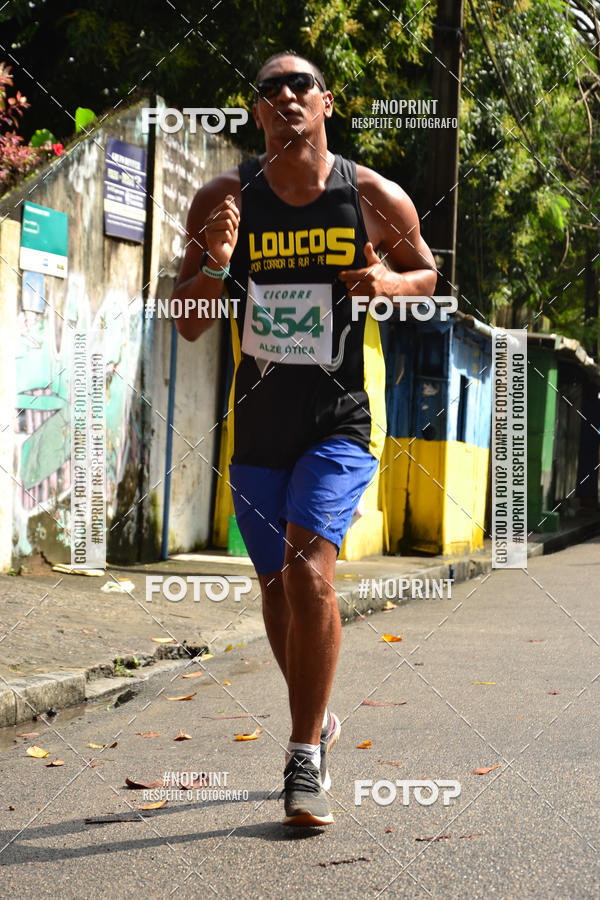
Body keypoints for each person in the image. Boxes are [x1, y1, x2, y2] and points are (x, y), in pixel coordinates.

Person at [172, 51, 437, 826]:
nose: (286, 95)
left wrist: (389, 284)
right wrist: (216, 265)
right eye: (270, 88)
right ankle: (316, 719)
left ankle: (302, 759)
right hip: (258, 423)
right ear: (257, 111)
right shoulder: (224, 200)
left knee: (306, 570)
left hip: (340, 418)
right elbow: (187, 322)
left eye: (301, 84)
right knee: (275, 587)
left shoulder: (371, 196)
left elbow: (426, 276)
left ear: (326, 102)